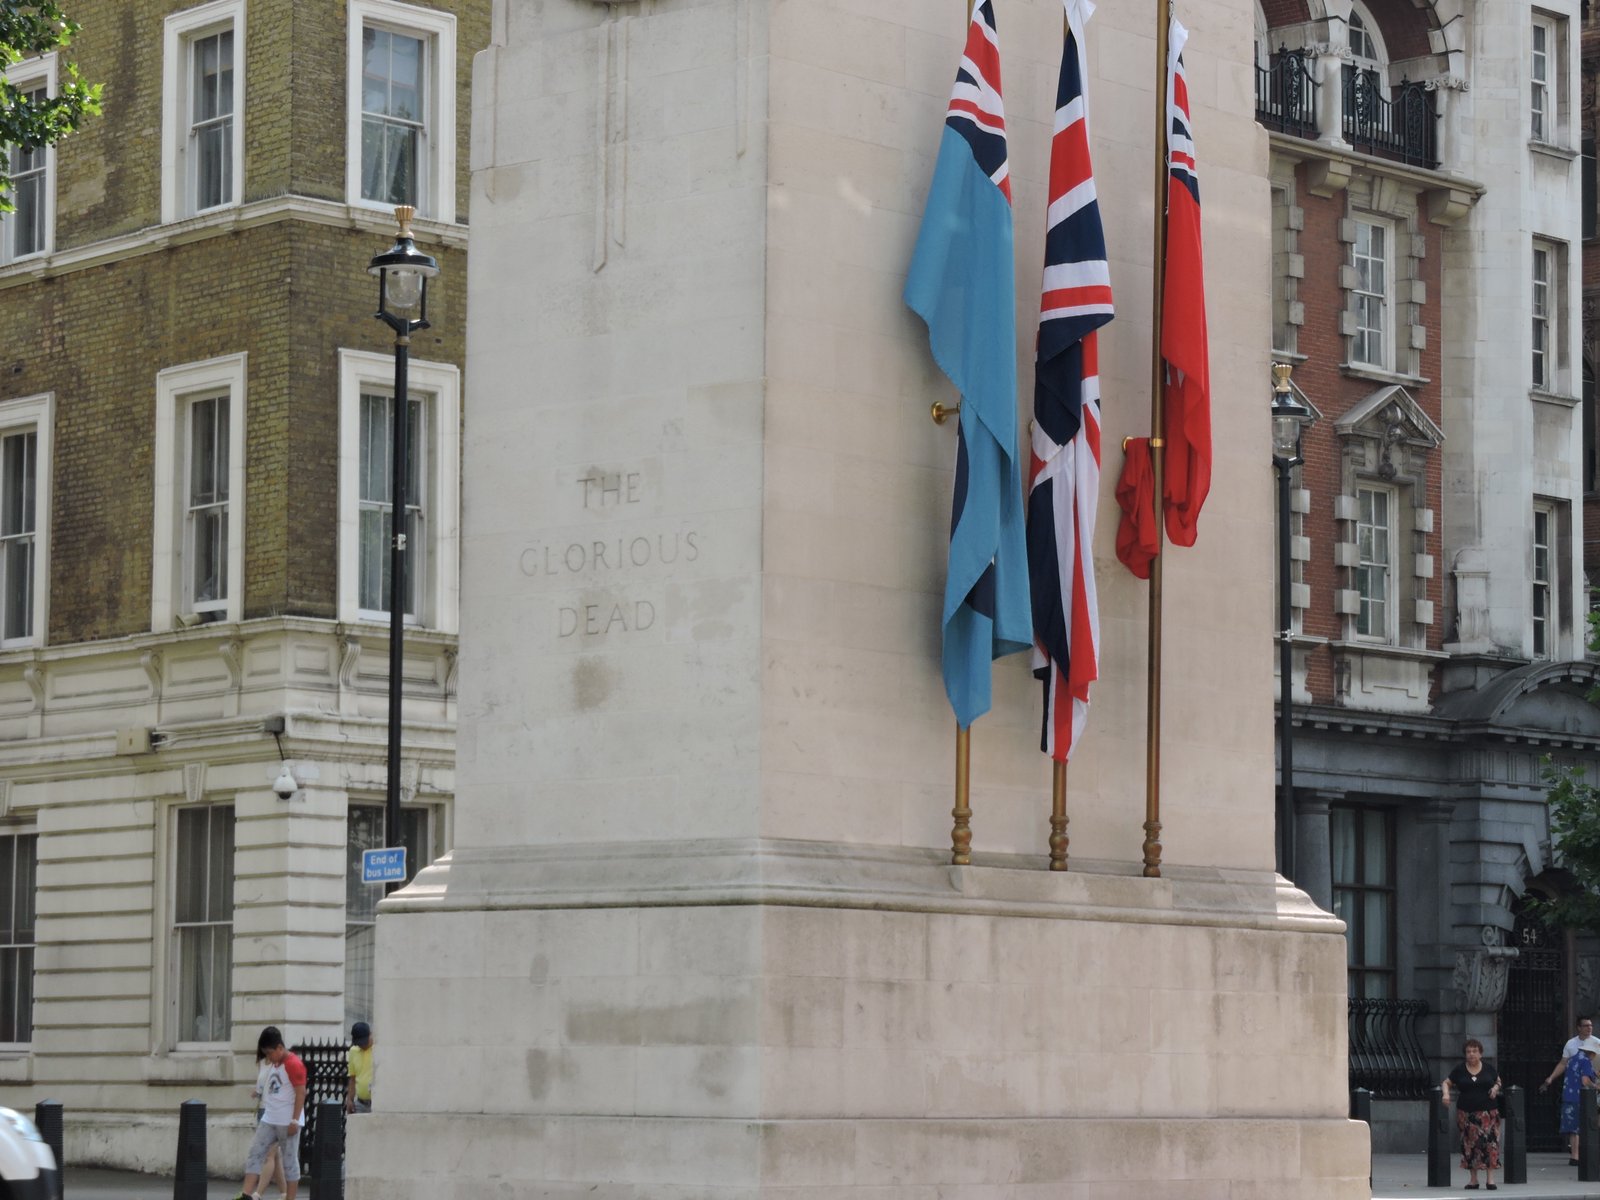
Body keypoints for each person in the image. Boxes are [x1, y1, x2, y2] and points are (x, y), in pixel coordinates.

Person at [234, 1027, 306, 1200]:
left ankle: (290, 1197)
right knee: (255, 1153)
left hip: (286, 1120)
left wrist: (295, 1121)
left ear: (280, 1047)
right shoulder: (276, 1063)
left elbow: (301, 1092)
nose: (268, 1057)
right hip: (270, 1118)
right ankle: (246, 1194)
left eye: (270, 1052)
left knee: (290, 1162)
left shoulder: (293, 1064)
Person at [1442, 1038, 1502, 1191]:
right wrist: (1446, 1094)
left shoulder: (1488, 1068)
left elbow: (1498, 1081)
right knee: (1469, 1146)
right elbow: (1446, 1082)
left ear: (1480, 1053)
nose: (1471, 1054)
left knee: (1490, 1145)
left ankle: (1490, 1179)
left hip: (1488, 1114)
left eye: (1475, 1051)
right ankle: (1473, 1180)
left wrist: (1495, 1088)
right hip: (1466, 1114)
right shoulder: (1460, 1070)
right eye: (1468, 1052)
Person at [250, 1047, 289, 1198]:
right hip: (262, 1110)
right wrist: (257, 1092)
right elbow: (263, 1085)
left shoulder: (280, 1064)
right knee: (275, 1155)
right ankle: (284, 1192)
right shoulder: (262, 1063)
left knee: (269, 1154)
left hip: (275, 1112)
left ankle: (258, 1193)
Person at [1558, 1046, 1600, 1165]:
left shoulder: (1572, 1059)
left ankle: (1574, 1156)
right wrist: (1597, 1086)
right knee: (1582, 1127)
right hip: (1580, 1097)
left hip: (1568, 1096)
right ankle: (1580, 1156)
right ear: (1590, 1052)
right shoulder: (1586, 1060)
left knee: (1573, 1129)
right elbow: (1585, 1081)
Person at [345, 1021, 374, 1114]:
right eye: (360, 1044)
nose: (363, 1046)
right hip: (360, 1103)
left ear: (370, 1034)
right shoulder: (353, 1051)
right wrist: (350, 1099)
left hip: (377, 1103)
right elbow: (352, 1078)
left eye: (365, 1042)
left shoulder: (378, 1049)